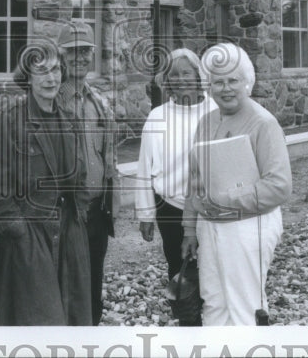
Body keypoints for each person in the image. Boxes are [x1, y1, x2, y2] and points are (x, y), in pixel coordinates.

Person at [0, 47, 92, 325]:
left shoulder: (70, 121)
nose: (50, 78)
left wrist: (77, 220)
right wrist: (20, 232)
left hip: (67, 235)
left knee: (73, 321)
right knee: (36, 324)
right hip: (27, 240)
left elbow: (80, 181)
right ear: (28, 77)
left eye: (55, 70)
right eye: (41, 71)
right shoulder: (9, 122)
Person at [181, 42, 292, 326]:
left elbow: (279, 186)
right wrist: (189, 229)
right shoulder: (206, 122)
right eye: (218, 82)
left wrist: (224, 199)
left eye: (233, 80)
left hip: (249, 226)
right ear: (209, 87)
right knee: (214, 302)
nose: (226, 88)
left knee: (245, 309)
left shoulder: (263, 123)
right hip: (210, 226)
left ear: (248, 83)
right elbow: (195, 180)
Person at [135, 47, 216, 325]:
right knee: (180, 269)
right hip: (171, 209)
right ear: (166, 81)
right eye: (173, 75)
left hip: (211, 210)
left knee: (214, 270)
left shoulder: (216, 111)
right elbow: (145, 167)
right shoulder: (158, 117)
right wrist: (145, 214)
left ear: (198, 76)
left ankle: (217, 324)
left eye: (186, 73)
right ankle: (189, 326)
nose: (180, 79)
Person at [55, 20, 115, 325]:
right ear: (61, 55)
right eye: (72, 51)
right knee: (65, 287)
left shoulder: (99, 103)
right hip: (65, 215)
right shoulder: (50, 103)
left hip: (96, 213)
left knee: (93, 287)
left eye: (85, 51)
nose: (79, 57)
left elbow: (107, 158)